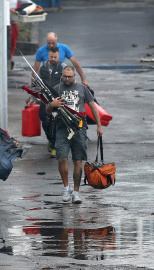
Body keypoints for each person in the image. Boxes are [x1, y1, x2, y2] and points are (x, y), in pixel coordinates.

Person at [46, 66, 103, 204]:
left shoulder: (83, 89)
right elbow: (47, 111)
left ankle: (76, 192)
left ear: (75, 76)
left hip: (79, 129)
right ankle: (66, 188)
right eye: (65, 76)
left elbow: (93, 107)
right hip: (62, 129)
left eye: (69, 77)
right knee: (61, 159)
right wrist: (52, 104)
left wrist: (99, 126)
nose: (67, 79)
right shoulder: (57, 88)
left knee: (78, 161)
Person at [36, 46, 66, 158]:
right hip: (45, 99)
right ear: (48, 56)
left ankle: (54, 146)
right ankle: (50, 139)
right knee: (44, 121)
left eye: (55, 57)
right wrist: (34, 97)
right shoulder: (43, 67)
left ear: (59, 56)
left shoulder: (63, 67)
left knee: (55, 123)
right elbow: (38, 82)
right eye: (51, 56)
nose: (53, 59)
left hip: (57, 99)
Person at [10, 0, 36, 69]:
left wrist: (35, 6)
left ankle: (10, 58)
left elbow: (28, 2)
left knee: (12, 42)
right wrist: (8, 10)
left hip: (12, 21)